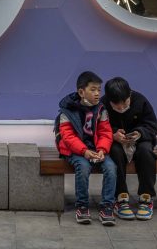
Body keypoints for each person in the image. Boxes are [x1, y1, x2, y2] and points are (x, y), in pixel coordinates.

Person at [55, 71, 117, 226]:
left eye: (99, 90)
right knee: (83, 167)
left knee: (111, 167)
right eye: (93, 90)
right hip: (75, 150)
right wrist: (84, 152)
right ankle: (82, 206)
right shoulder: (67, 111)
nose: (97, 94)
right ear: (81, 92)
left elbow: (106, 132)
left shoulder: (101, 109)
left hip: (96, 149)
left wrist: (102, 150)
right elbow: (68, 137)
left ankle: (107, 206)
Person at [102, 77, 157, 221]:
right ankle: (120, 198)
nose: (121, 108)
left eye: (125, 103)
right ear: (109, 100)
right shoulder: (102, 105)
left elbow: (152, 126)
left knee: (146, 152)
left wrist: (139, 133)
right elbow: (98, 128)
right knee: (114, 152)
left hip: (140, 141)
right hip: (115, 142)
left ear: (130, 95)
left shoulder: (141, 101)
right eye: (117, 105)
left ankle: (146, 198)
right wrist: (113, 135)